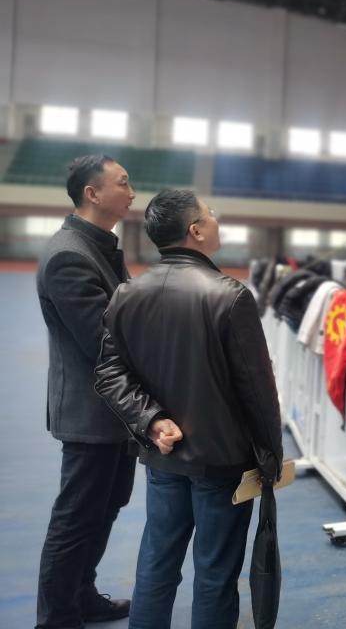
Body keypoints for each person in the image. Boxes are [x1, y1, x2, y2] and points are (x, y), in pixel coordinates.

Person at [94, 190, 284, 628]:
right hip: (222, 461)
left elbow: (108, 372)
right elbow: (257, 390)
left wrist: (151, 419)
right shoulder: (229, 297)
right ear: (195, 230)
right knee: (216, 574)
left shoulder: (128, 293)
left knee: (157, 561)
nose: (216, 220)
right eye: (210, 214)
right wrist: (270, 456)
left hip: (163, 455)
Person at [35, 155, 136, 628]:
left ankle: (81, 595)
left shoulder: (100, 246)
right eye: (123, 184)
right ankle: (56, 618)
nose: (131, 193)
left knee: (105, 507)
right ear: (92, 194)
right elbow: (105, 341)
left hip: (115, 409)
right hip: (90, 413)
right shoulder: (70, 256)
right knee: (76, 519)